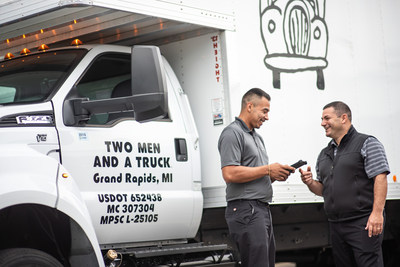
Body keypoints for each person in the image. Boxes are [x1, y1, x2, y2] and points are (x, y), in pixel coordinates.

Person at [299, 101, 390, 267]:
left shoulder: (367, 143)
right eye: (321, 119)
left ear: (343, 118)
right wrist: (310, 182)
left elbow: (380, 177)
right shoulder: (324, 154)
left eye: (327, 118)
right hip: (336, 225)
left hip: (363, 222)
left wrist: (377, 213)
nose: (322, 123)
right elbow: (323, 190)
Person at [218, 88, 294, 267]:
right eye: (264, 111)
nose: (267, 117)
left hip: (260, 210)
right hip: (247, 210)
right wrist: (268, 169)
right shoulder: (232, 133)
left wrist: (275, 174)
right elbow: (229, 173)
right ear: (250, 106)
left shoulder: (257, 138)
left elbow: (255, 174)